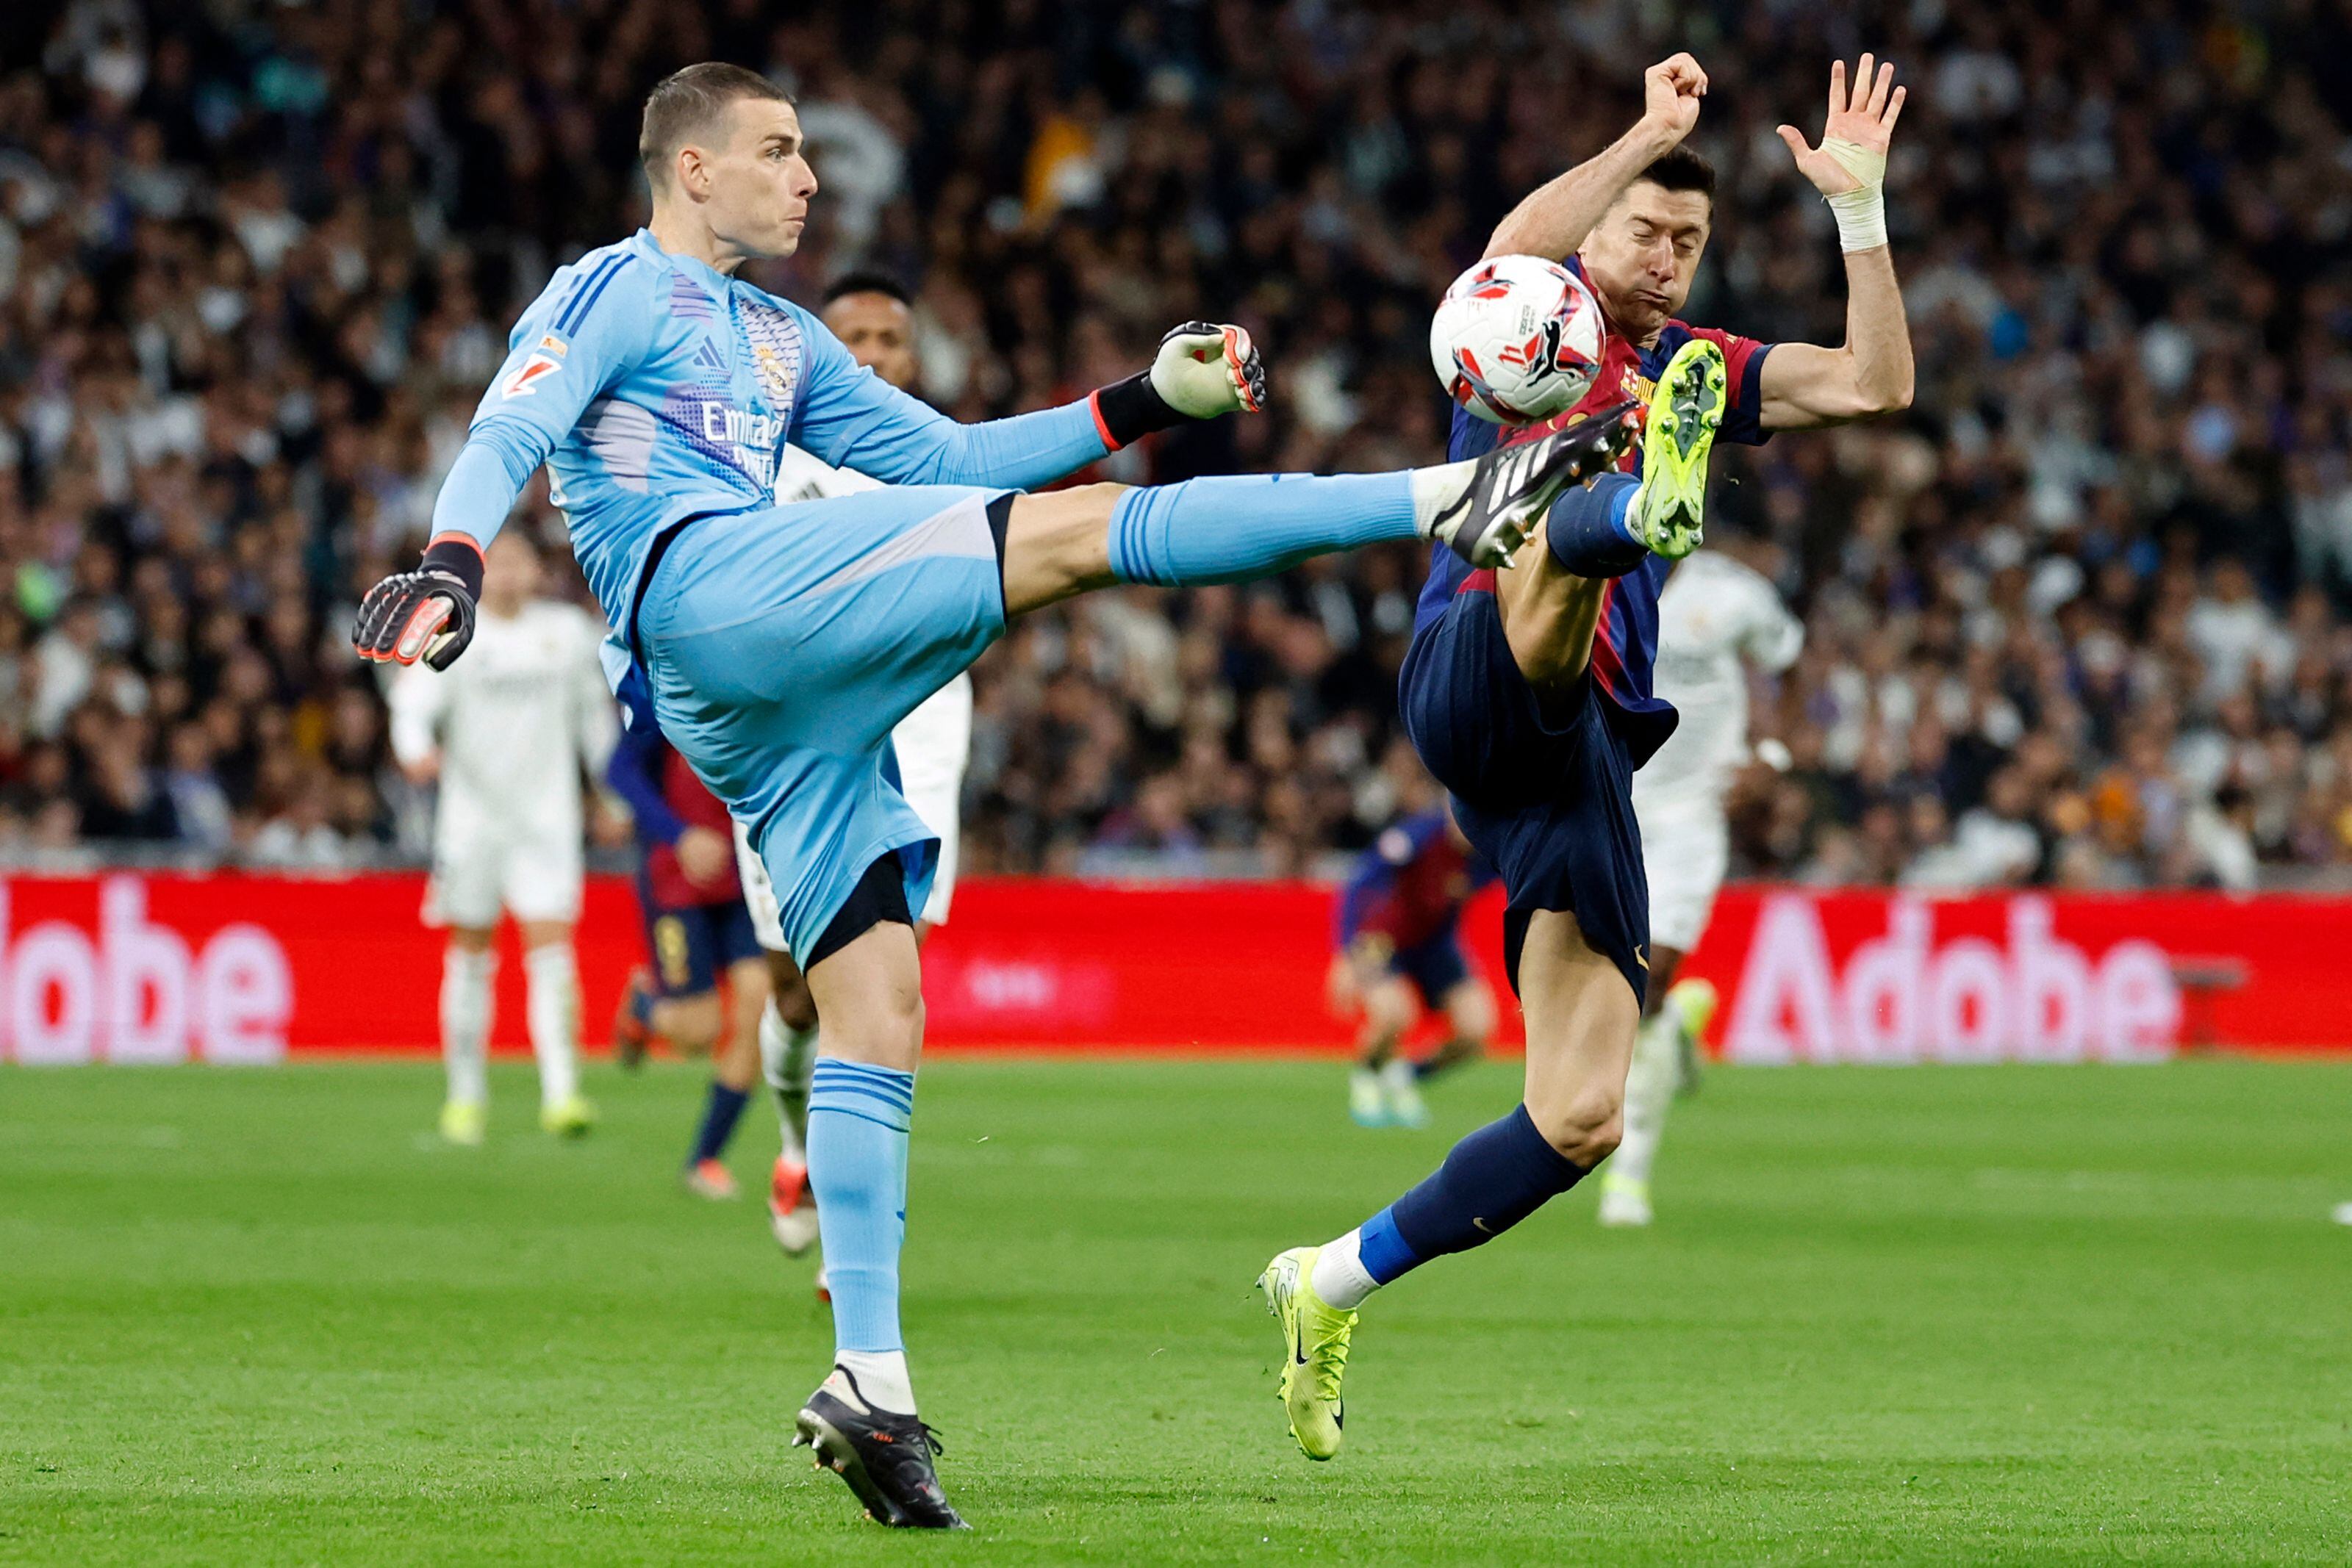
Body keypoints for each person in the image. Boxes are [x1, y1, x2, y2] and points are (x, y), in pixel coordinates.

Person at [351, 62, 1619, 1528]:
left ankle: (870, 1384)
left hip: (769, 701)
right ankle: (1460, 498)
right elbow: (511, 423)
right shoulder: (613, 290)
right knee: (1080, 544)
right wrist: (451, 557)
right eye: (774, 151)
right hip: (708, 591)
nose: (805, 177)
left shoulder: (780, 336)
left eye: (805, 153)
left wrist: (1145, 395)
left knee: (878, 1001)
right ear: (688, 168)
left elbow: (950, 456)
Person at [1258, 51, 1913, 1462]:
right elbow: (1509, 246)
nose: (1669, 258)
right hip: (1476, 662)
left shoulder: (1700, 359)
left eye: (1691, 241)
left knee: (1580, 1116)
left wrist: (1859, 213)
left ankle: (1325, 1279)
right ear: (1598, 229)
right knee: (1555, 541)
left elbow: (1871, 384)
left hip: (1581, 758)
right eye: (1647, 232)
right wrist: (1647, 134)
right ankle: (1625, 507)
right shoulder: (1529, 314)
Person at [727, 271, 975, 1284]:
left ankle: (864, 1226)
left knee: (886, 980)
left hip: (918, 730)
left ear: (917, 358)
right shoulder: (758, 456)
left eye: (892, 336)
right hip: (794, 737)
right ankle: (797, 1146)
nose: (874, 351)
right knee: (796, 990)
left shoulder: (944, 459)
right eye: (854, 335)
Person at [1598, 540, 1803, 1227]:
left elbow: (1786, 663)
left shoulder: (1734, 594)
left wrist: (1771, 756)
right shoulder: (1598, 574)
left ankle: (1627, 1178)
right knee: (1611, 986)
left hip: (1695, 812)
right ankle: (1680, 1028)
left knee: (1647, 984)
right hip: (1611, 799)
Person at [386, 530, 614, 1143]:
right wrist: (414, 749)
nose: (511, 573)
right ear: (484, 572)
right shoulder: (456, 628)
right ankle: (465, 1097)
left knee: (552, 955)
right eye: (500, 563)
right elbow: (412, 703)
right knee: (469, 956)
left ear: (538, 570)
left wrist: (611, 792)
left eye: (521, 561)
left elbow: (594, 718)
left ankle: (562, 1092)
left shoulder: (567, 633)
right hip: (472, 821)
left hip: (546, 820)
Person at [605, 668, 772, 1199]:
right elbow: (620, 771)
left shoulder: (768, 683)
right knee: (699, 1033)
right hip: (678, 886)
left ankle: (705, 1159)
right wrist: (679, 837)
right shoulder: (672, 685)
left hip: (745, 881)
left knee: (760, 1011)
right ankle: (644, 1010)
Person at [1330, 800, 1497, 1129]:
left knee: (1476, 1029)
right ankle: (1365, 1081)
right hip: (1382, 938)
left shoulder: (1490, 852)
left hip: (1436, 944)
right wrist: (1345, 951)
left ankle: (1402, 1075)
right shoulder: (1416, 837)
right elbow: (1361, 881)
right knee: (1394, 1015)